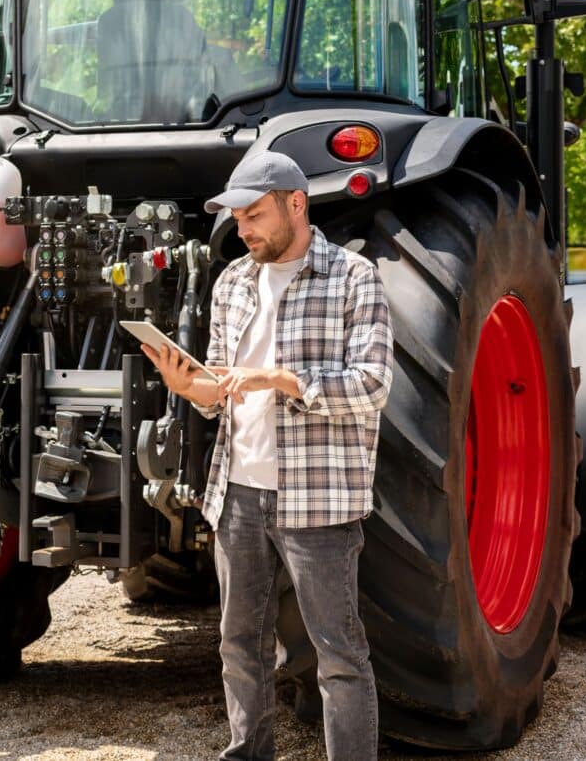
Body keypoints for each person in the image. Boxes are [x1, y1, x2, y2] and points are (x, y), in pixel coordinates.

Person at [140, 151, 393, 761]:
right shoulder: (233, 281)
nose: (244, 229)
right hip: (238, 496)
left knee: (338, 657)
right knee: (238, 647)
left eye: (254, 215)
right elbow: (220, 391)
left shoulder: (354, 277)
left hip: (320, 499)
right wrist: (187, 385)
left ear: (296, 204)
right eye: (237, 218)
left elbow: (372, 385)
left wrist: (279, 379)